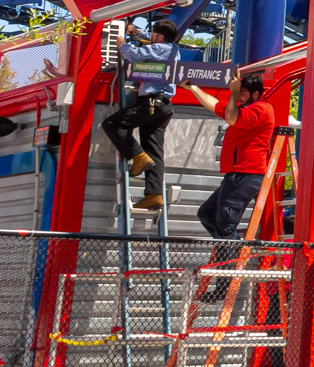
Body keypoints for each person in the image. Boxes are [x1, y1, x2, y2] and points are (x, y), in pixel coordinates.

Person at [186, 71, 276, 292]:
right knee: (206, 213)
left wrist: (234, 93)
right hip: (237, 174)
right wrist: (192, 88)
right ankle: (231, 249)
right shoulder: (243, 107)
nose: (240, 96)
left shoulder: (261, 109)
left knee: (226, 225)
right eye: (239, 93)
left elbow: (231, 117)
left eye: (244, 93)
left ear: (255, 94)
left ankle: (225, 282)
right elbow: (216, 105)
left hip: (246, 174)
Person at [100, 18, 179, 211]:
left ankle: (137, 156)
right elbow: (149, 40)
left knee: (112, 124)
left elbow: (135, 55)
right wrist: (136, 31)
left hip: (151, 102)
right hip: (163, 106)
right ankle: (154, 194)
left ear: (160, 37)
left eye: (154, 35)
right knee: (155, 151)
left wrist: (122, 45)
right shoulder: (171, 49)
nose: (151, 37)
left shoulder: (162, 48)